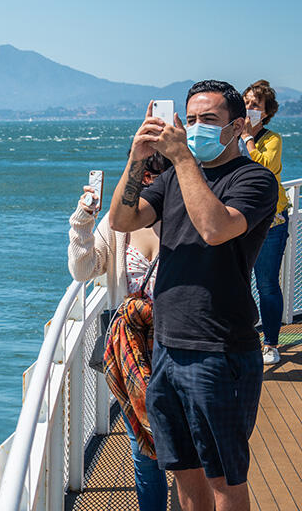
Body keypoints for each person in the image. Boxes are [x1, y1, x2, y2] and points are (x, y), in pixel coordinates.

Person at [108, 80, 277, 511]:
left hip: (220, 352)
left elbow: (215, 228)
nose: (196, 128)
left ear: (238, 126)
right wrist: (137, 156)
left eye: (210, 120)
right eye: (193, 119)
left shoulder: (254, 180)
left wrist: (182, 156)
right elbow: (123, 220)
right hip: (167, 345)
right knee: (184, 475)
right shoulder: (171, 180)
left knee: (224, 481)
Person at [68, 154, 170, 511]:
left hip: (179, 344)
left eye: (159, 173)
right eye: (142, 173)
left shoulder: (186, 218)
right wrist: (84, 219)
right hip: (131, 350)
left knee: (191, 448)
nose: (149, 181)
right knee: (143, 451)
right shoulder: (118, 223)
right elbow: (83, 270)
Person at [239, 80, 289, 364]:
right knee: (237, 282)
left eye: (255, 104)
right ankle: (244, 337)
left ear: (266, 112)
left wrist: (247, 139)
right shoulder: (231, 137)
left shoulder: (272, 140)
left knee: (267, 283)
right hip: (238, 221)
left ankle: (270, 343)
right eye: (245, 102)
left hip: (271, 221)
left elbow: (265, 169)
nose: (248, 108)